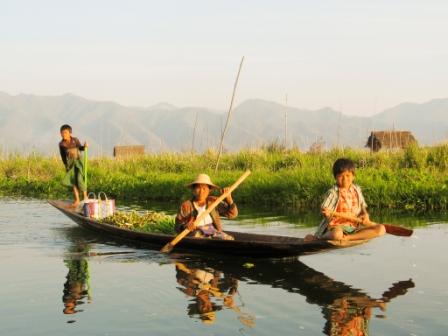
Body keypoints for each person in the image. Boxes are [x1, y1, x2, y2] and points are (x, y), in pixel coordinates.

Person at [314, 158, 385, 241]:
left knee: (381, 229)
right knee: (337, 234)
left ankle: (348, 238)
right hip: (337, 227)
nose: (344, 179)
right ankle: (321, 238)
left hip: (354, 227)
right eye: (341, 176)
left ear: (353, 176)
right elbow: (324, 210)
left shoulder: (357, 190)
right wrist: (327, 213)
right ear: (335, 177)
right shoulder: (333, 193)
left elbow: (362, 207)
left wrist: (365, 215)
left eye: (348, 175)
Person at [175, 174, 237, 240]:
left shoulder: (213, 201)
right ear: (193, 190)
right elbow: (177, 226)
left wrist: (229, 200)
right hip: (195, 233)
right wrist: (185, 226)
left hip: (213, 231)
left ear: (209, 190)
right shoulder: (186, 205)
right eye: (198, 188)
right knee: (197, 235)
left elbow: (232, 215)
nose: (201, 191)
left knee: (228, 239)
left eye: (204, 188)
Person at [59, 124, 88, 207]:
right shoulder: (61, 144)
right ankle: (77, 200)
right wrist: (66, 165)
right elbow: (63, 155)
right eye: (62, 133)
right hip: (70, 163)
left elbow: (80, 148)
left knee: (80, 178)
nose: (63, 134)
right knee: (73, 181)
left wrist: (84, 146)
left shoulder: (75, 140)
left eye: (65, 133)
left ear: (70, 133)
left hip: (79, 161)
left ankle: (85, 197)